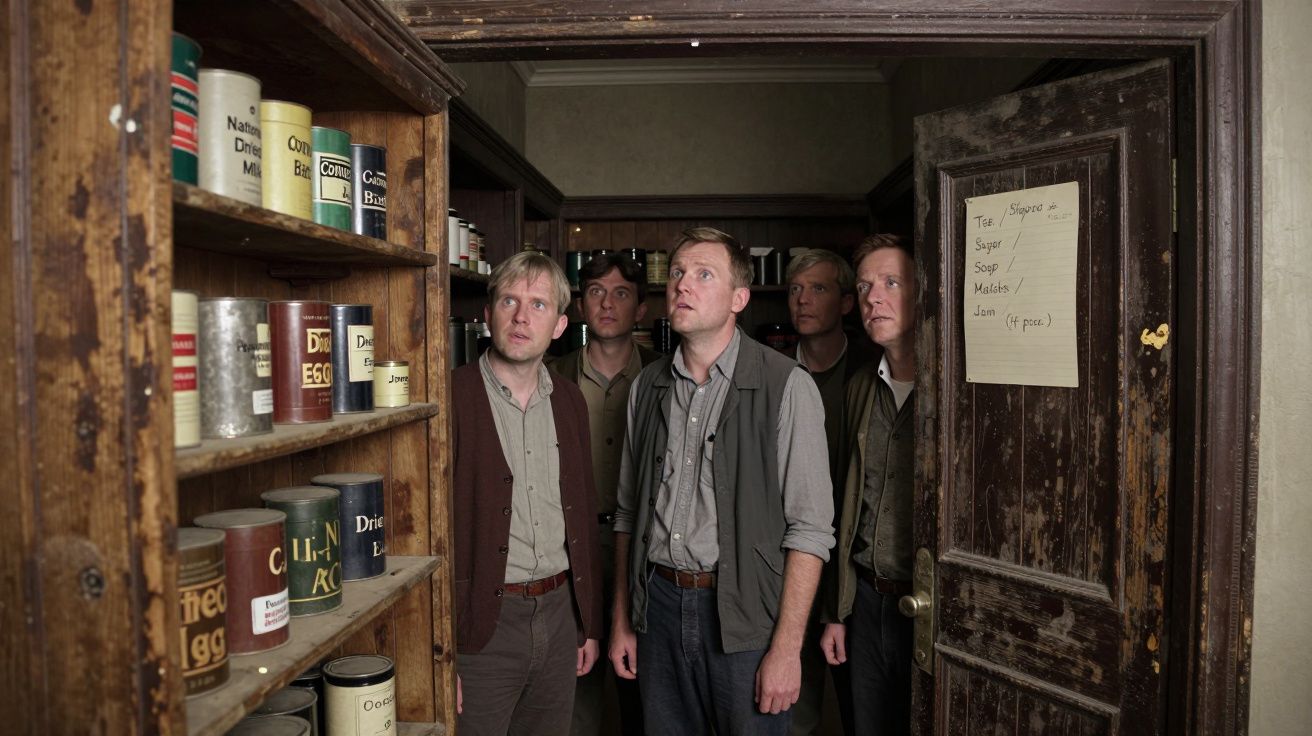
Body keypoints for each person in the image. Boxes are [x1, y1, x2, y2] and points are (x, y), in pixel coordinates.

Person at [610, 227, 836, 736]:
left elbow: (810, 531)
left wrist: (787, 649)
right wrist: (622, 621)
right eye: (677, 272)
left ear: (739, 298)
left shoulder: (787, 386)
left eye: (703, 274)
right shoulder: (647, 386)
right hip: (658, 610)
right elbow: (628, 515)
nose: (682, 284)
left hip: (746, 618)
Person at [451, 251, 604, 736]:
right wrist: (438, 650)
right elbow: (422, 535)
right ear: (488, 312)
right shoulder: (450, 397)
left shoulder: (570, 400)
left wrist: (587, 624)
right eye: (509, 301)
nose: (521, 317)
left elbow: (581, 516)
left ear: (559, 325)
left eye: (538, 305)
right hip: (480, 625)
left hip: (559, 617)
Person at [551, 252, 660, 736]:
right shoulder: (551, 376)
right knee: (576, 694)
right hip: (571, 549)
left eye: (621, 294)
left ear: (641, 309)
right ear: (579, 306)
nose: (607, 304)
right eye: (595, 292)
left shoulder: (667, 376)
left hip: (646, 550)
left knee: (648, 691)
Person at [820, 234, 917, 735]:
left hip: (929, 610)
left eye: (891, 283)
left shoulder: (959, 388)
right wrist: (837, 613)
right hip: (866, 604)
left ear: (924, 291)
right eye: (863, 287)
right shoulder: (859, 386)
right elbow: (843, 505)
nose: (873, 298)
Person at [784, 249, 867, 736]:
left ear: (846, 302)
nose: (803, 300)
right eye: (795, 289)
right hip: (792, 559)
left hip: (856, 564)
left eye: (818, 288)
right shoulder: (773, 373)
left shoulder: (869, 369)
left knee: (864, 707)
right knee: (791, 708)